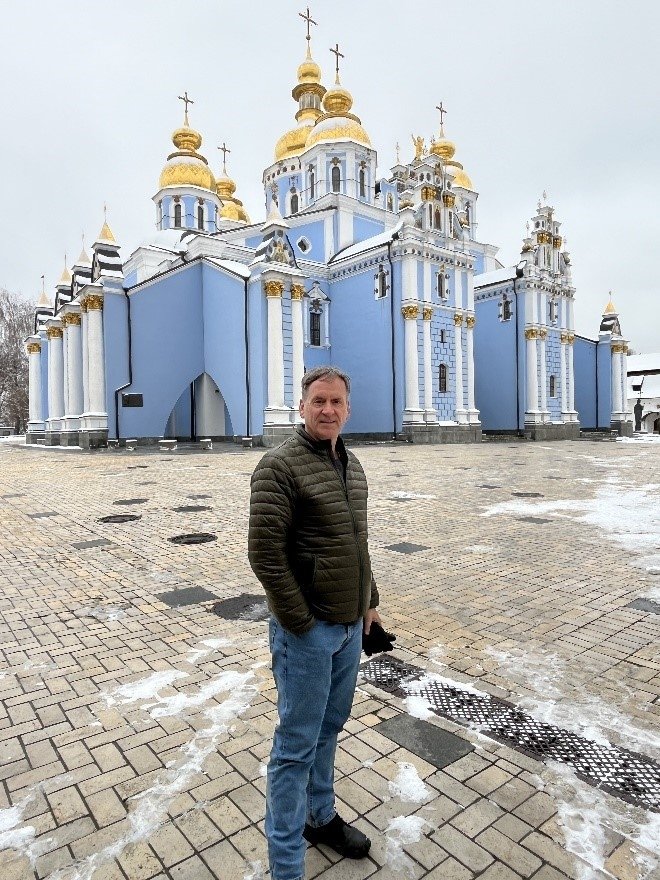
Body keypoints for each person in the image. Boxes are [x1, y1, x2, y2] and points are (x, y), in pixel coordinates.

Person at [248, 365, 382, 880]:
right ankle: (286, 867)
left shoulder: (353, 466)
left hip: (349, 627)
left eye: (336, 402)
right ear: (302, 406)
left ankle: (319, 818)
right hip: (306, 633)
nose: (328, 410)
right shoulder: (278, 467)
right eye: (318, 401)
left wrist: (368, 602)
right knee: (294, 748)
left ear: (348, 409)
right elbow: (264, 553)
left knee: (330, 728)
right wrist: (300, 622)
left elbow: (357, 545)